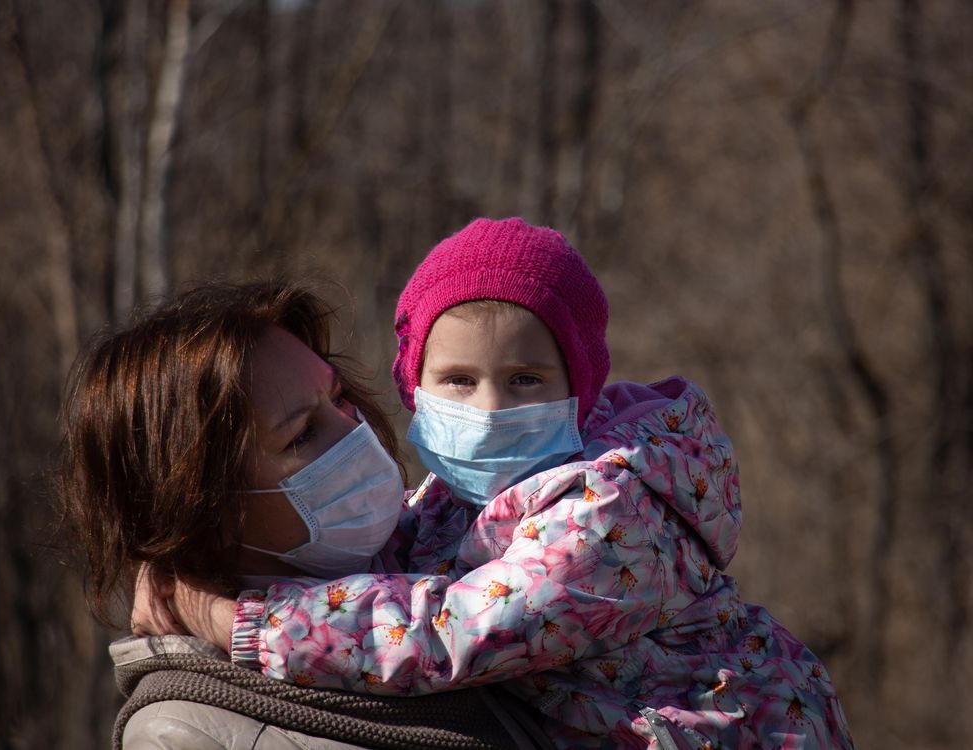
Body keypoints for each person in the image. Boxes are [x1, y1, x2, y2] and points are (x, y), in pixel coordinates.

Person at [143, 220, 855, 749]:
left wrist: (245, 621)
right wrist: (191, 561)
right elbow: (391, 578)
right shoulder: (452, 499)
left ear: (579, 387)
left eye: (524, 381)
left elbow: (451, 630)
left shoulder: (608, 511)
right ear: (412, 384)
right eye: (457, 380)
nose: (488, 409)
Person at [58, 280, 546, 750]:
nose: (355, 433)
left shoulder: (440, 543)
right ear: (203, 510)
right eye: (301, 434)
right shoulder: (183, 732)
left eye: (338, 399)